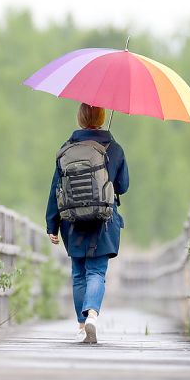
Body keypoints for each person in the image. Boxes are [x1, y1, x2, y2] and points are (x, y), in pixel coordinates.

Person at [46, 103, 129, 344]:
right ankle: (92, 313)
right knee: (96, 272)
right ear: (102, 117)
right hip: (103, 221)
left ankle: (82, 326)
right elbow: (123, 186)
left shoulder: (66, 149)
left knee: (78, 274)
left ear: (80, 118)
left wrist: (52, 224)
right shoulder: (114, 148)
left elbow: (55, 190)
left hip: (72, 222)